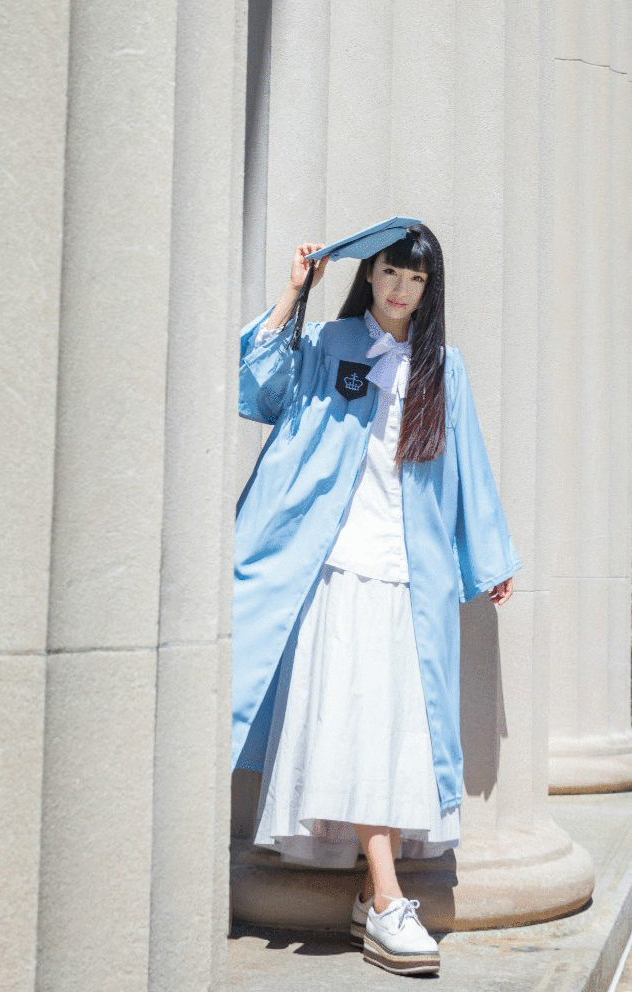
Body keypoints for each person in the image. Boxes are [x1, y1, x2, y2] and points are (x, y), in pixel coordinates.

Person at [232, 222, 520, 977]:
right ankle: (389, 900)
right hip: (335, 567)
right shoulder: (328, 343)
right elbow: (257, 391)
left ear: (430, 290)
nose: (401, 290)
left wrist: (486, 554)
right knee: (359, 728)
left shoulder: (441, 367)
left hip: (406, 575)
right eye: (392, 273)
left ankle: (373, 892)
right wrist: (292, 297)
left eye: (417, 280)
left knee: (395, 735)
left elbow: (467, 463)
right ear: (370, 277)